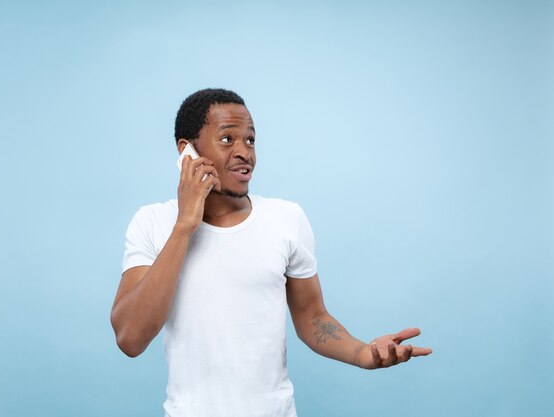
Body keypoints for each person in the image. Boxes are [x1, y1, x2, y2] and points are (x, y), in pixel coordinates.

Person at [111, 88, 432, 417]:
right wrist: (184, 227)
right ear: (187, 151)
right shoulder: (151, 222)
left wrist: (363, 353)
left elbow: (312, 317)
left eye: (250, 140)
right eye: (227, 139)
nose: (244, 153)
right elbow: (130, 339)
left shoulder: (286, 219)